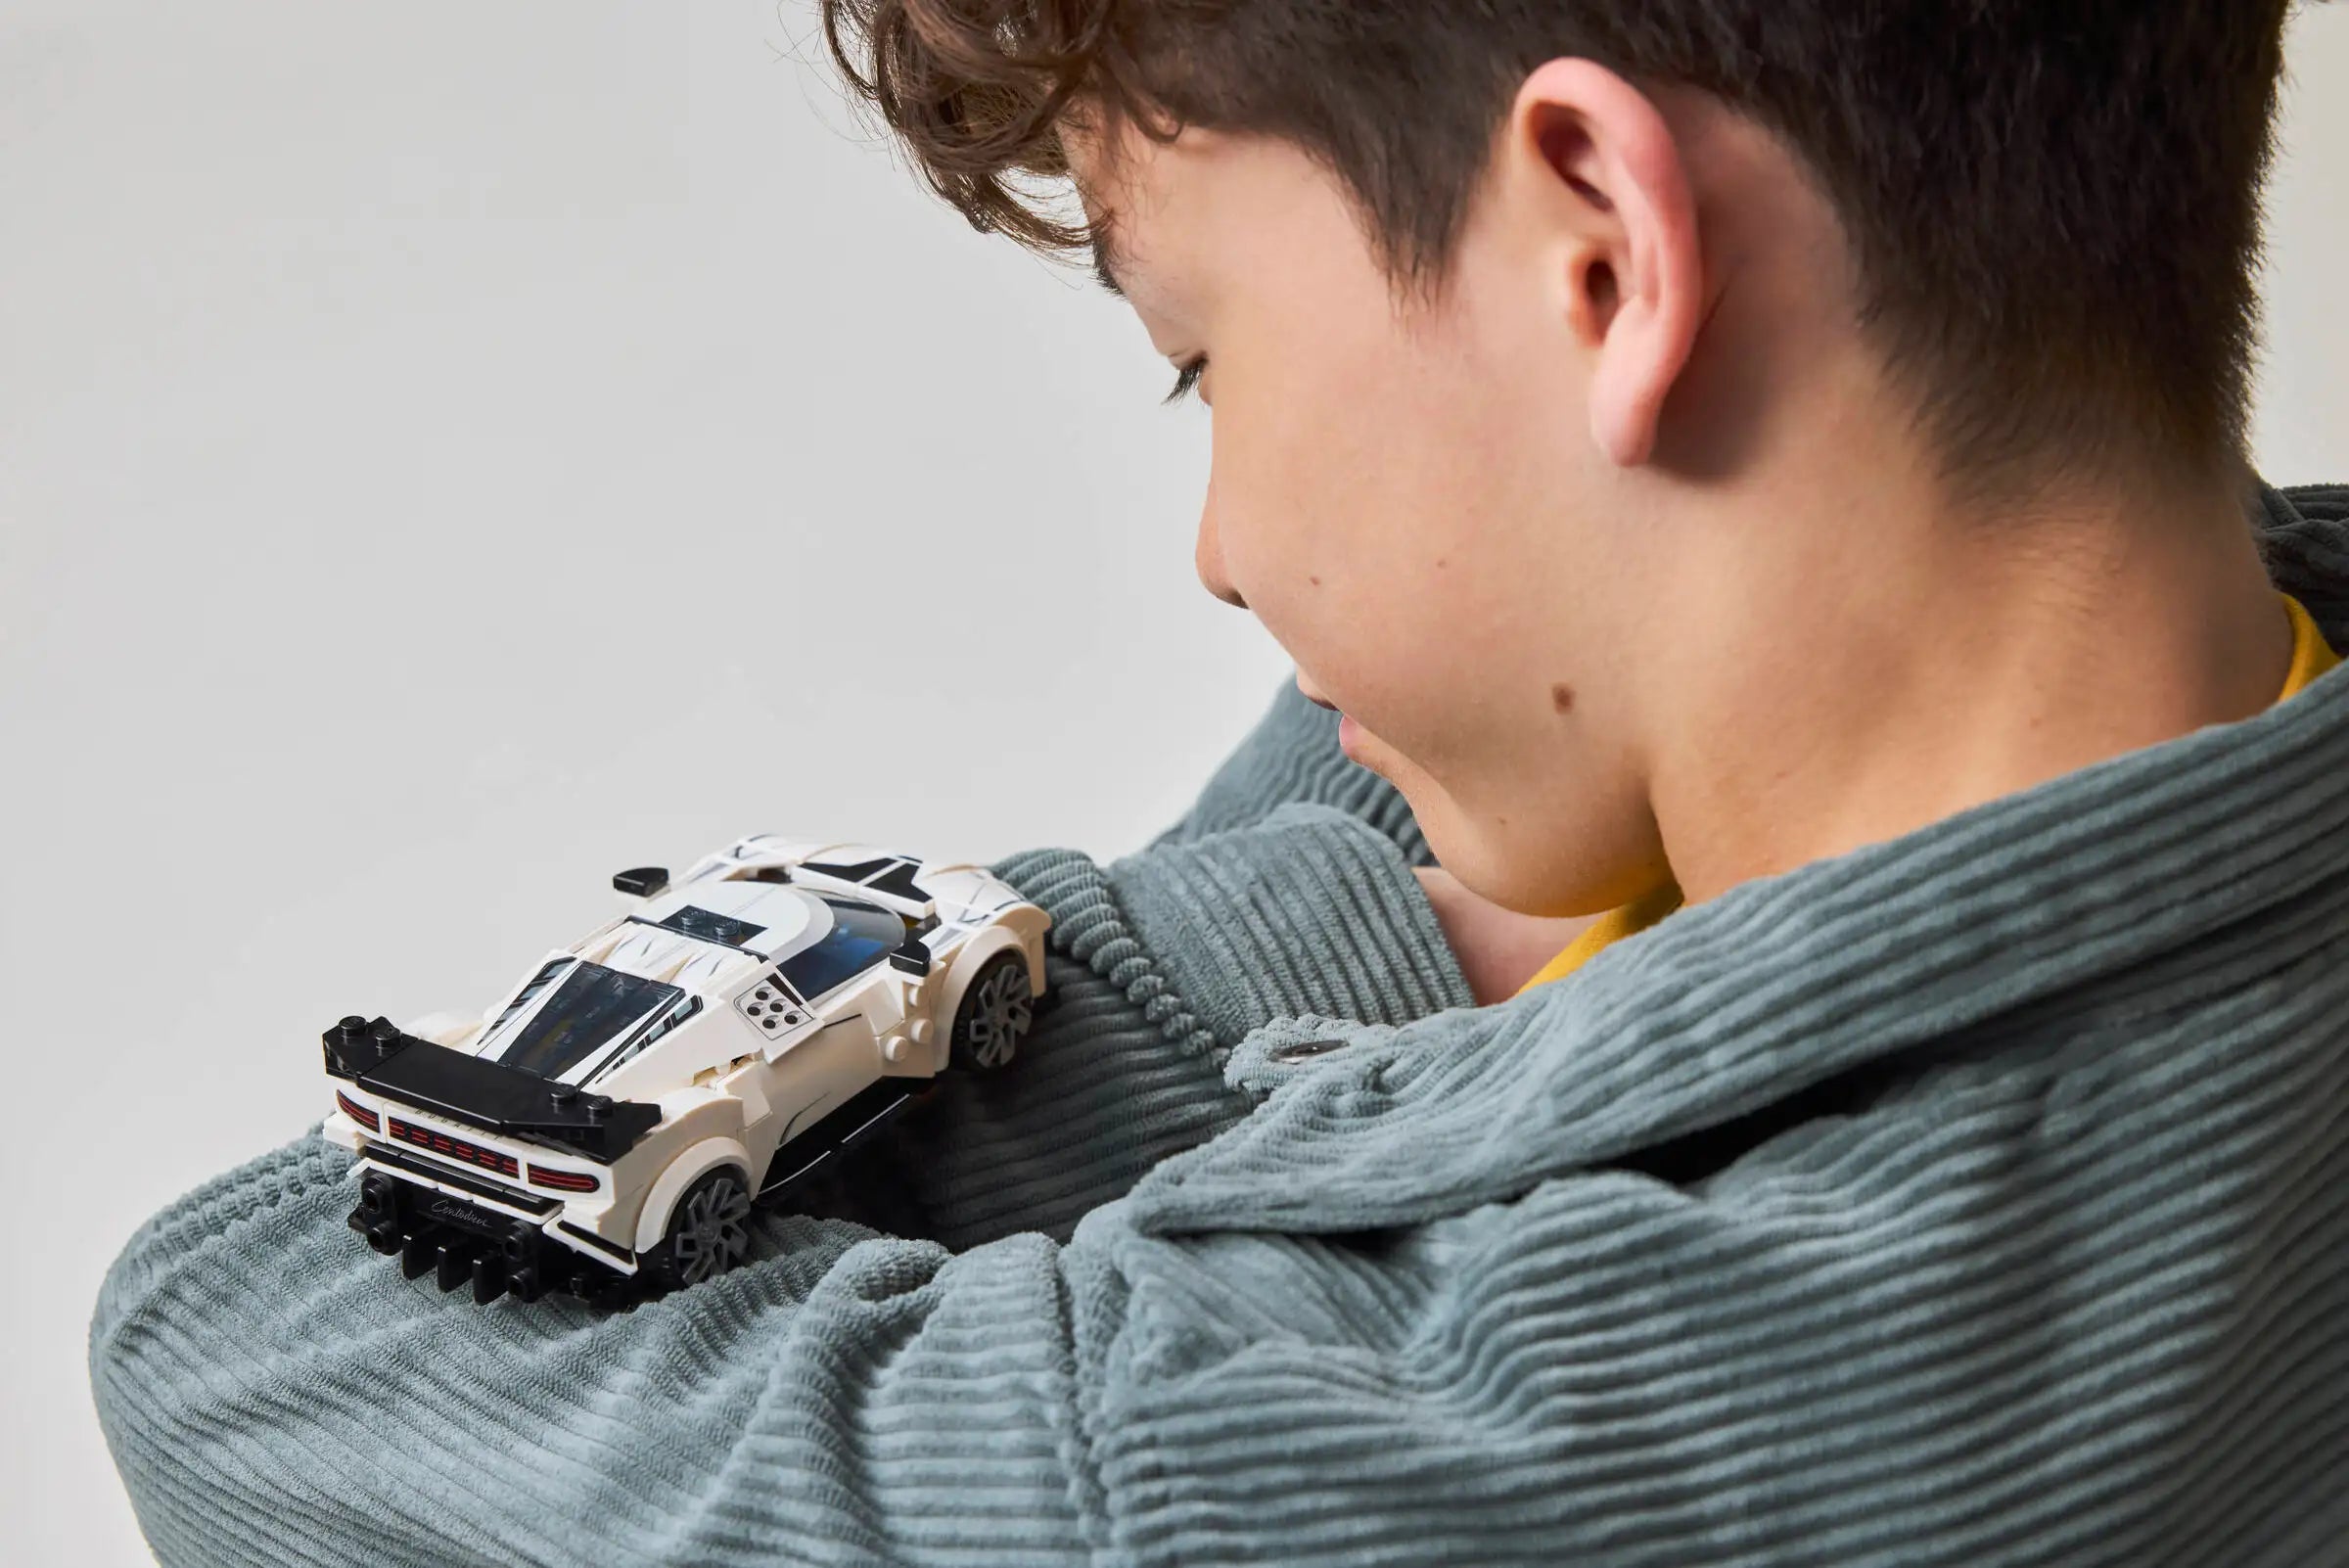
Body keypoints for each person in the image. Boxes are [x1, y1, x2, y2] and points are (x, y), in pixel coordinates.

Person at [89, 3, 2347, 1564]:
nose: (1221, 555)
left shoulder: (1340, 1451)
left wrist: (1352, 931)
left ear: (1604, 251)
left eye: (1199, 367)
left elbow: (236, 1339)